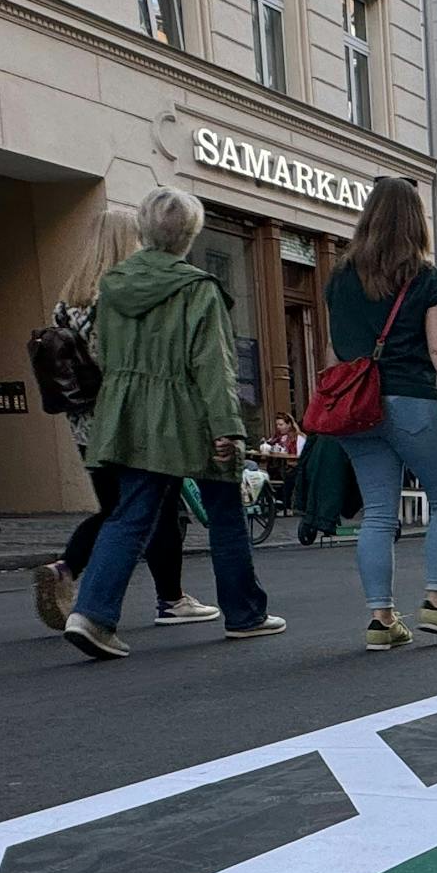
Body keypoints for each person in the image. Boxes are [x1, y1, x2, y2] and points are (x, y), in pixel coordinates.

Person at [63, 188, 285, 660]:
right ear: (191, 234)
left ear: (141, 230)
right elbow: (213, 366)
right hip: (191, 415)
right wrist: (229, 428)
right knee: (225, 510)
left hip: (131, 416)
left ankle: (92, 613)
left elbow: (105, 358)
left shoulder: (113, 288)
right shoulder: (196, 288)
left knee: (129, 514)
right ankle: (244, 614)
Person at [33, 207, 219, 636]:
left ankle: (67, 567)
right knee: (154, 507)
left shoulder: (68, 301)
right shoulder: (120, 296)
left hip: (84, 426)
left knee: (118, 509)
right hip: (129, 418)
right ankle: (168, 598)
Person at [325, 175, 437, 651]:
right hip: (411, 400)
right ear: (416, 221)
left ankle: (382, 619)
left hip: (356, 406)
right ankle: (436, 602)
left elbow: (333, 351)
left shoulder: (339, 278)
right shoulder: (425, 278)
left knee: (378, 514)